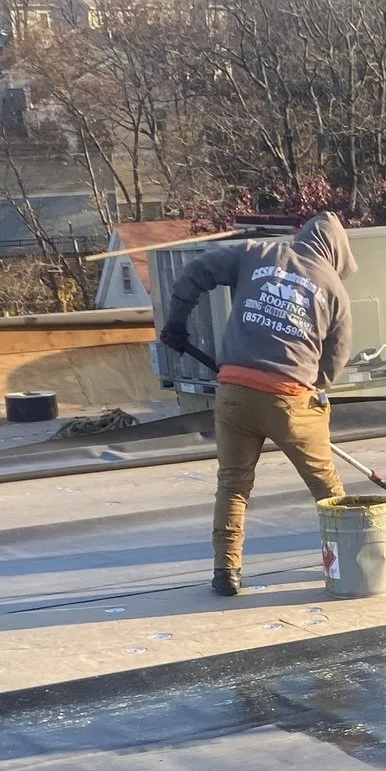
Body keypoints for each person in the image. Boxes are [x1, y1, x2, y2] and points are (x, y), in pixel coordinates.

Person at [158, 214, 359, 596]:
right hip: (290, 399)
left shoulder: (256, 253)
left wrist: (176, 324)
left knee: (233, 485)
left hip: (235, 390)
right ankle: (347, 562)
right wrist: (314, 393)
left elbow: (197, 271)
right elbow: (335, 358)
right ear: (336, 253)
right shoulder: (333, 290)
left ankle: (226, 571)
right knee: (327, 489)